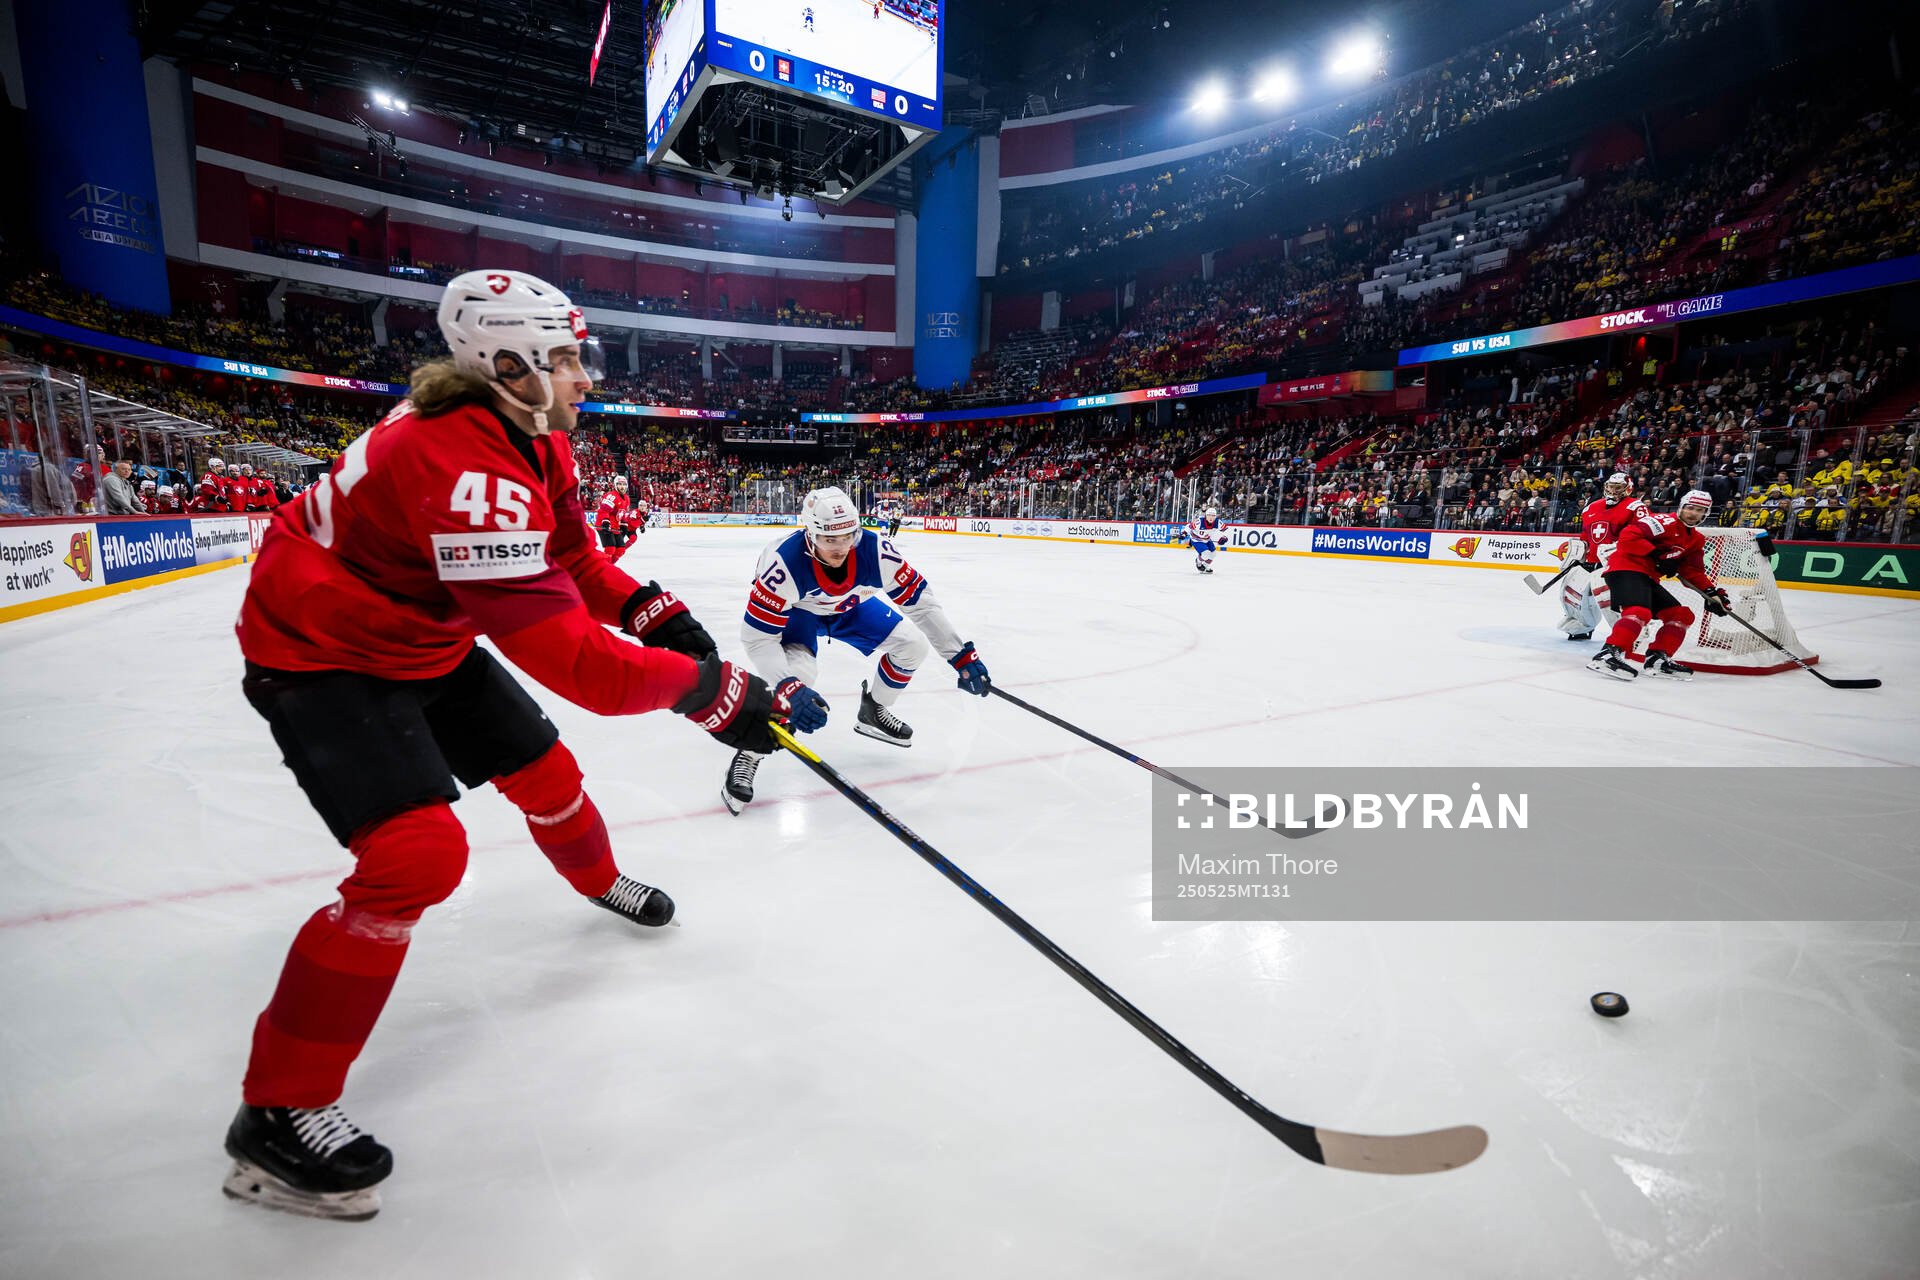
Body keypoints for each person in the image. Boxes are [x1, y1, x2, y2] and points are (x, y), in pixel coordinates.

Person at [222, 269, 784, 1221]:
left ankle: (597, 881)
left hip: (416, 631)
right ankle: (276, 1112)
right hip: (320, 651)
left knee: (548, 775)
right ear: (509, 366)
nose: (585, 377)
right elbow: (584, 671)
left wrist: (659, 615)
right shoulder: (462, 464)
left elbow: (573, 560)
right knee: (415, 857)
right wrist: (709, 690)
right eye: (565, 359)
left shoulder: (528, 432)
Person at [721, 485, 988, 815]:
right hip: (799, 613)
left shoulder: (876, 552)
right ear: (810, 534)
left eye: (847, 537)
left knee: (911, 645)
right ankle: (750, 751)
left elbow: (921, 603)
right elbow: (758, 638)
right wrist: (788, 685)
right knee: (800, 675)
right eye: (829, 539)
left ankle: (873, 710)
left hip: (849, 607)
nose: (840, 548)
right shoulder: (783, 565)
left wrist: (959, 655)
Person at [1587, 489, 1730, 681]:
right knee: (1639, 611)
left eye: (1699, 510)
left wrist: (1711, 593)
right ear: (1681, 507)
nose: (1693, 513)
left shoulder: (1696, 540)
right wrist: (1656, 555)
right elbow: (1628, 536)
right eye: (1690, 508)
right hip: (1625, 568)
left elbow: (1692, 571)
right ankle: (1608, 655)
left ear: (1705, 514)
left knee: (1681, 615)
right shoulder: (1662, 521)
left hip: (1647, 577)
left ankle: (1657, 659)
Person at [1558, 473, 1647, 641]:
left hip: (1617, 564)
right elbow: (1586, 536)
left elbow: (1643, 534)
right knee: (1571, 594)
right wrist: (1579, 551)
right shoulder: (1591, 507)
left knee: (1610, 601)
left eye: (1618, 487)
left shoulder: (1635, 507)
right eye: (1610, 487)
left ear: (1628, 489)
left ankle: (1628, 635)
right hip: (1591, 562)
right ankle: (1582, 627)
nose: (1613, 491)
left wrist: (1620, 548)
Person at [595, 475, 637, 563]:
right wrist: (605, 522)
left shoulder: (627, 498)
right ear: (615, 485)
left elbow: (622, 513)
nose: (622, 487)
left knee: (621, 550)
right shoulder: (611, 496)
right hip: (604, 525)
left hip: (615, 526)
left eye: (624, 484)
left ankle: (609, 566)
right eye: (619, 484)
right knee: (610, 548)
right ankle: (604, 567)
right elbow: (604, 510)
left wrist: (624, 525)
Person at [1184, 505, 1227, 574]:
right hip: (1197, 540)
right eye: (1209, 515)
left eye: (1213, 516)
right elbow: (1189, 526)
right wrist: (1184, 533)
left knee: (1213, 554)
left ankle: (1205, 566)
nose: (1211, 517)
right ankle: (1198, 562)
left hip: (1207, 540)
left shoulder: (1218, 522)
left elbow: (1226, 530)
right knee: (1205, 554)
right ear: (1206, 516)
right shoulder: (1200, 522)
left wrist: (1224, 538)